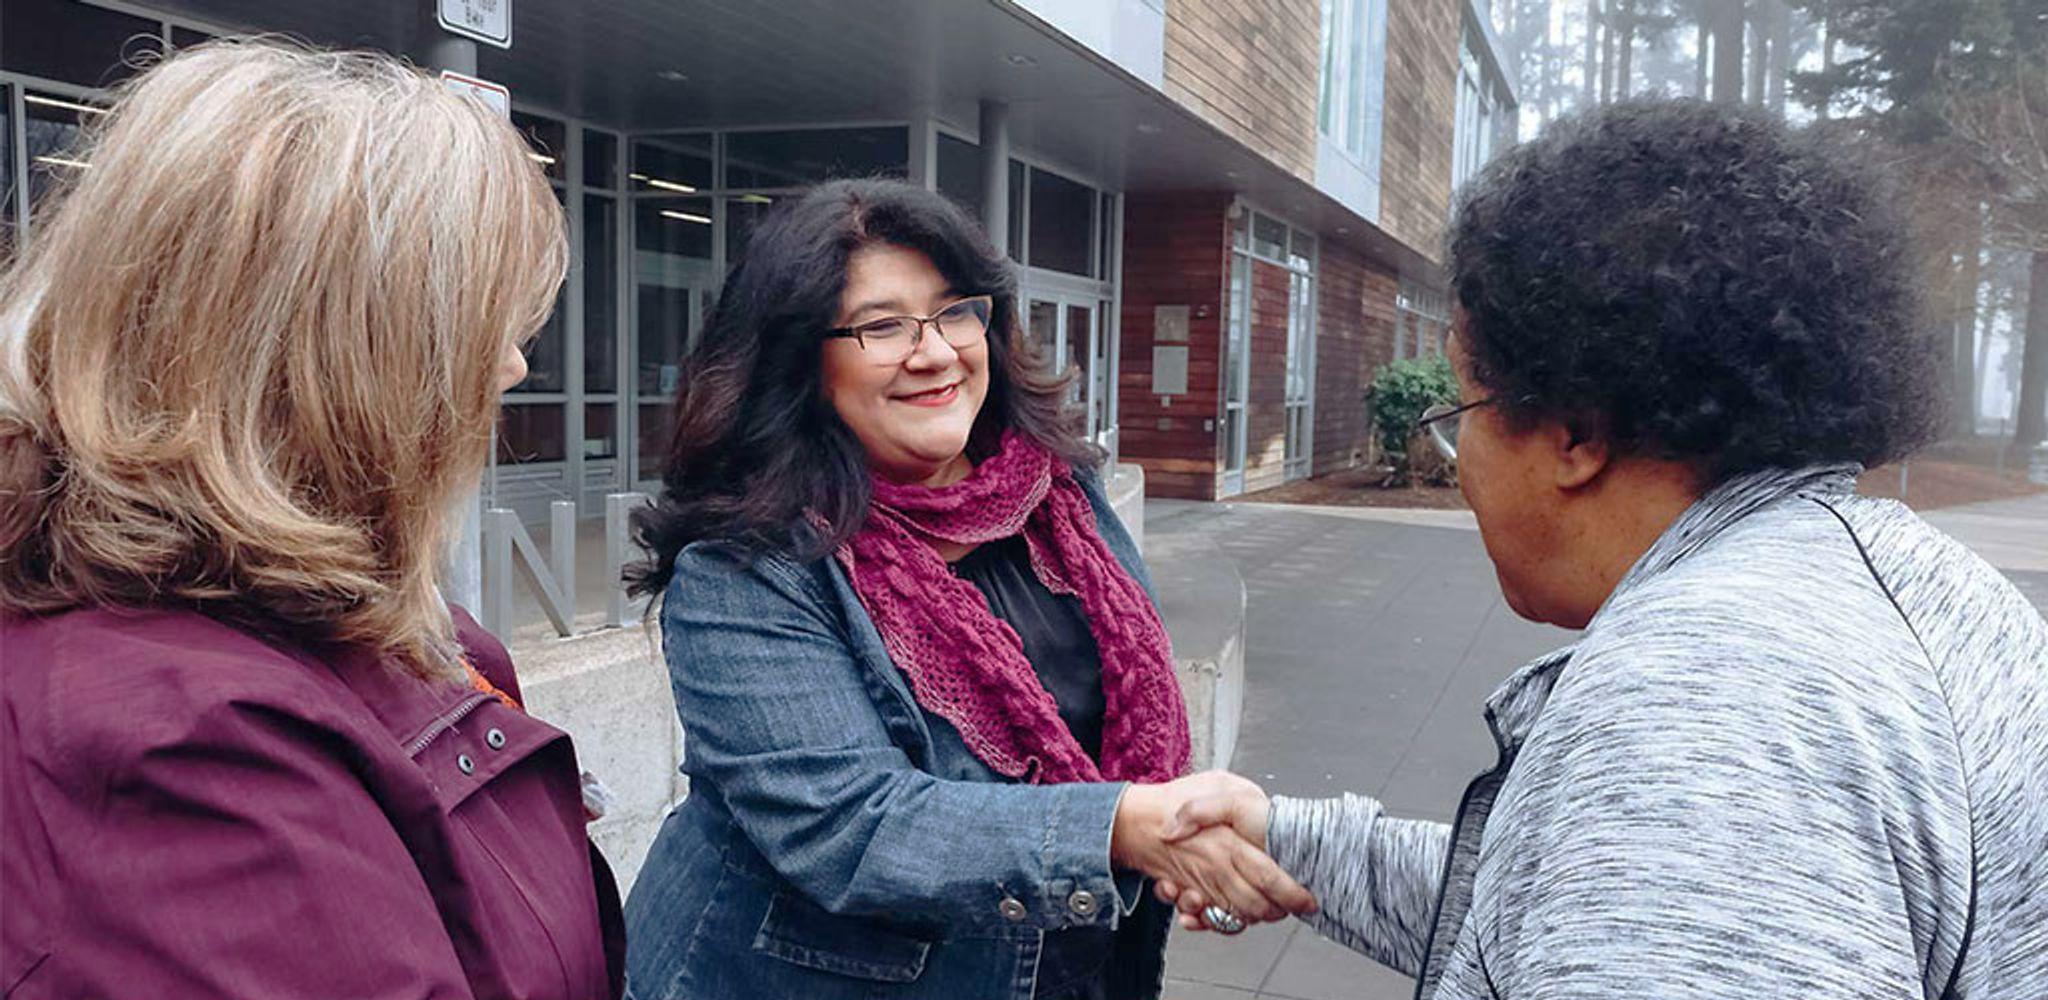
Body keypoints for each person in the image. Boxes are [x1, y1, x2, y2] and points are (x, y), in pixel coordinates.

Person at [1160, 100, 2048, 997]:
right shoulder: (1909, 590)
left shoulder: (1707, 707)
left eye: (1459, 412)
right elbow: (1587, 899)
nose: (1458, 461)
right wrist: (1290, 841)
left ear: (1575, 433)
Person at [0, 41, 624, 1000]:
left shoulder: (342, 621)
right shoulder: (180, 748)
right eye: (480, 328)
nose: (513, 369)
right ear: (346, 370)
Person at [621, 178, 1313, 1000]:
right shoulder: (746, 567)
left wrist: (1183, 842)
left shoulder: (1058, 494)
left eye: (955, 311)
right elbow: (854, 826)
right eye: (883, 326)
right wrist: (1124, 829)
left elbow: (1129, 715)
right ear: (801, 360)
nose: (937, 351)